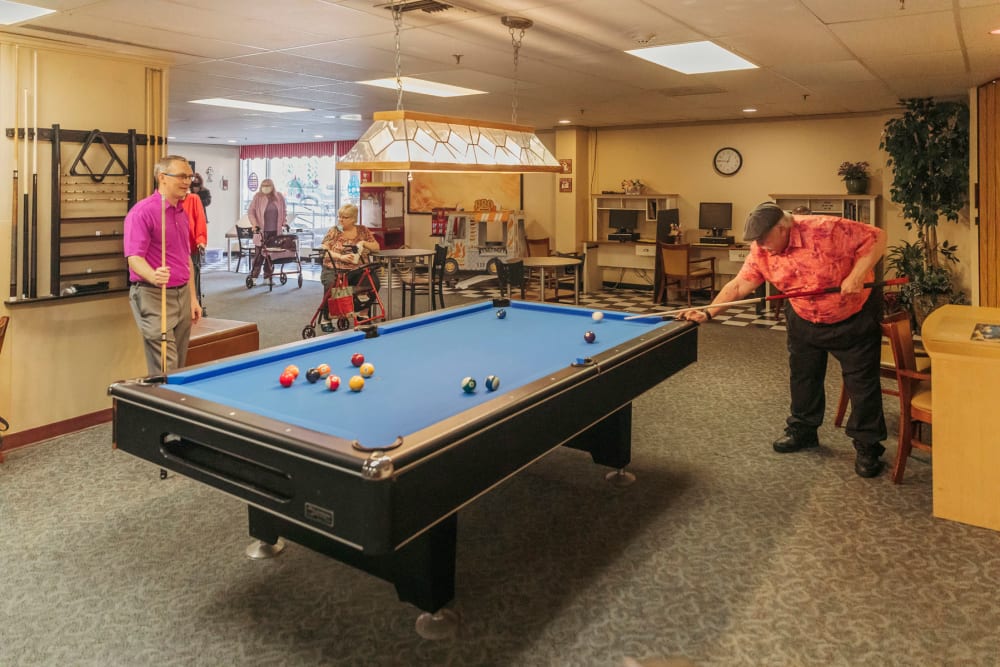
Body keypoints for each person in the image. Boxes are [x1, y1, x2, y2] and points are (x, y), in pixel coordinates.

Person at [681, 202, 888, 478]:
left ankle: (868, 446)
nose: (761, 246)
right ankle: (803, 430)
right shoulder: (761, 248)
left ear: (782, 228)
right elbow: (740, 284)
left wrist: (857, 274)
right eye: (757, 241)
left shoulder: (826, 228)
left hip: (851, 316)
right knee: (803, 377)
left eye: (765, 239)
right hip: (803, 315)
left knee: (861, 383)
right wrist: (708, 312)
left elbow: (877, 237)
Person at [124, 155, 203, 374]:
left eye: (189, 176)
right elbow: (134, 257)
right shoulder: (142, 213)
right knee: (165, 368)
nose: (187, 181)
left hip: (182, 296)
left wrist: (193, 298)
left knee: (178, 367)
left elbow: (185, 257)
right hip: (154, 295)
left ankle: (172, 405)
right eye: (181, 176)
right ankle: (162, 407)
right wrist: (153, 275)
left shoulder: (181, 212)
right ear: (162, 178)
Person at [319, 203, 381, 297]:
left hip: (358, 270)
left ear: (353, 219)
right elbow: (324, 250)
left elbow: (376, 247)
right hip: (335, 269)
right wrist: (341, 257)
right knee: (334, 287)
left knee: (373, 283)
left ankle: (361, 308)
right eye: (339, 217)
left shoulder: (363, 230)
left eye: (345, 217)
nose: (340, 220)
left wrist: (364, 243)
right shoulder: (334, 231)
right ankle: (340, 309)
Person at [247, 178, 287, 279]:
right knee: (259, 256)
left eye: (268, 185)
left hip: (275, 231)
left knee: (271, 256)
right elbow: (251, 212)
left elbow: (284, 211)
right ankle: (254, 276)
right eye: (263, 185)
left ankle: (268, 276)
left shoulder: (279, 197)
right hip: (261, 231)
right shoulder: (258, 197)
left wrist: (284, 223)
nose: (266, 188)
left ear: (272, 186)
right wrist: (254, 224)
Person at [182, 188, 207, 311]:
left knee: (192, 276)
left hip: (191, 246)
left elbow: (200, 220)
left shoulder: (193, 199)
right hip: (175, 248)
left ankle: (194, 303)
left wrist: (200, 240)